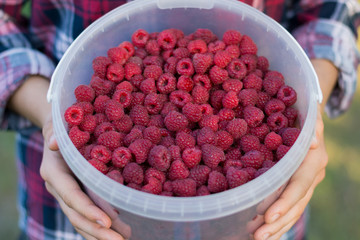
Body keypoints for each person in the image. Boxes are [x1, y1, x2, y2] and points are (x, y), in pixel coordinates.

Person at [0, 0, 359, 239]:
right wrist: (51, 117)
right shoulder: (127, 119)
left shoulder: (233, 104)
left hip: (256, 213)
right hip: (78, 206)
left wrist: (312, 111)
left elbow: (330, 10)